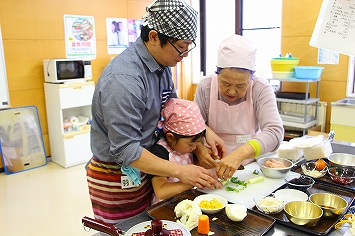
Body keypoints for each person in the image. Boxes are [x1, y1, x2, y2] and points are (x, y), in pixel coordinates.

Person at [86, 0, 224, 225]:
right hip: (115, 173)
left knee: (146, 223)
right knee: (124, 228)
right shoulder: (124, 80)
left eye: (190, 46)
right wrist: (182, 171)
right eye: (181, 46)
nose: (186, 54)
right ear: (153, 37)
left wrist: (202, 136)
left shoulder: (160, 66)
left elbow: (175, 111)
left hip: (145, 164)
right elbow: (125, 150)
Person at [194, 34, 284, 180]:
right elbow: (193, 126)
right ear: (217, 71)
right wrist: (199, 149)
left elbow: (274, 132)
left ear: (252, 76)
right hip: (210, 166)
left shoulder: (261, 89)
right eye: (225, 83)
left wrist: (239, 155)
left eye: (241, 85)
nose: (232, 91)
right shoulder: (206, 86)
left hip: (248, 167)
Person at [150, 98, 206, 205]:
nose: (194, 148)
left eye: (198, 143)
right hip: (165, 207)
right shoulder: (160, 152)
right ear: (170, 137)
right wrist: (192, 182)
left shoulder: (186, 147)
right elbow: (161, 191)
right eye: (191, 144)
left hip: (186, 202)